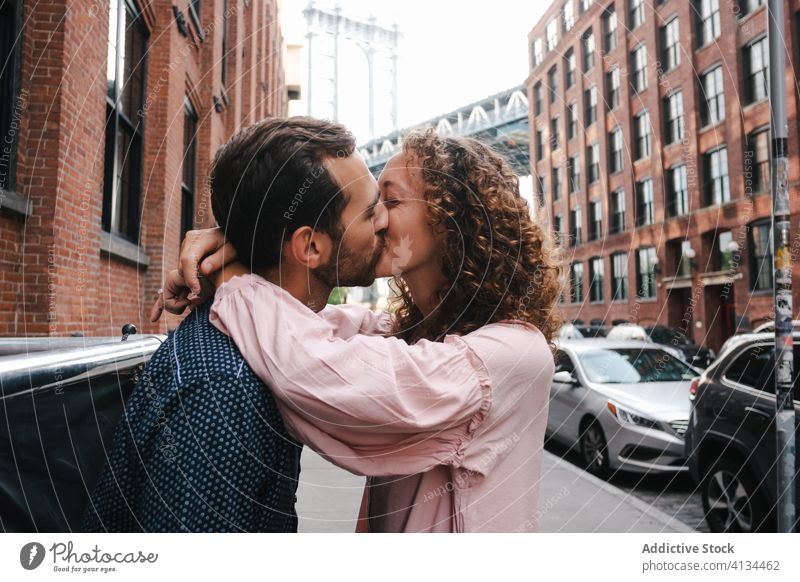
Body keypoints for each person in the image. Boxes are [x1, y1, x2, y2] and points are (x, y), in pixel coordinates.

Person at [156, 127, 564, 532]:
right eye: (373, 204)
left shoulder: (515, 355)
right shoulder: (414, 335)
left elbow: (316, 365)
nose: (378, 218)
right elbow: (306, 325)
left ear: (452, 221)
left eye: (391, 199)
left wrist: (231, 272)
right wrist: (256, 239)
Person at [81, 116, 389, 532]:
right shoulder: (224, 388)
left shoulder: (262, 345)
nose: (386, 220)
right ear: (311, 246)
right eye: (371, 212)